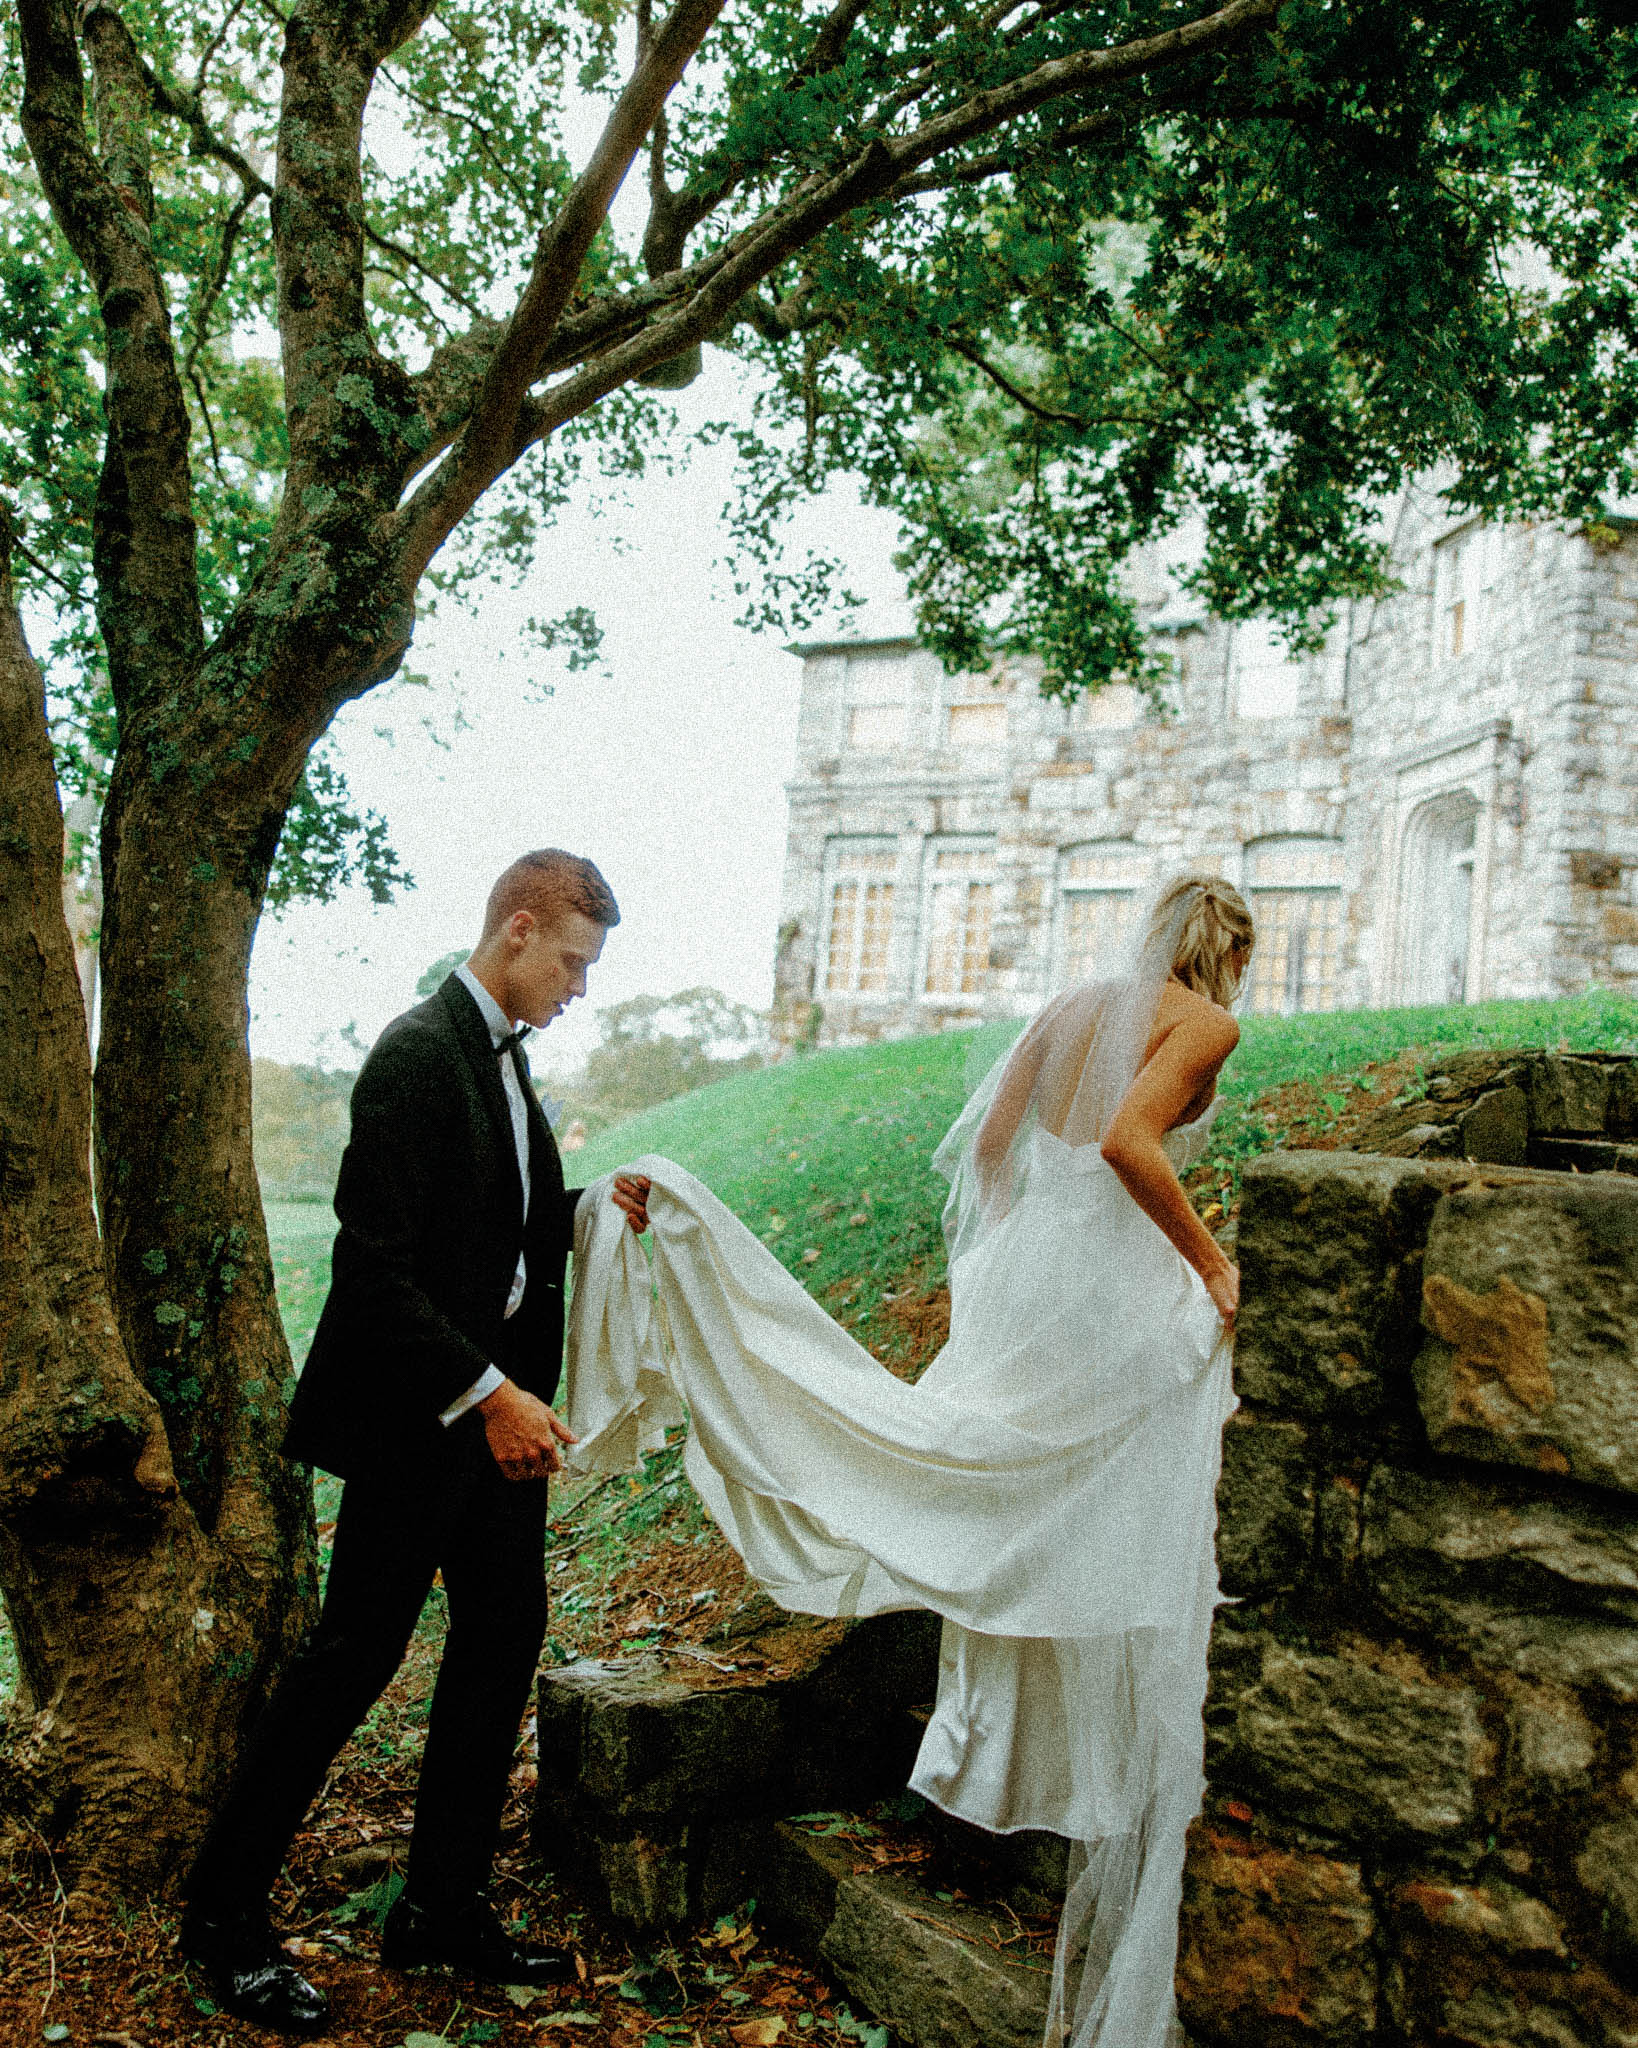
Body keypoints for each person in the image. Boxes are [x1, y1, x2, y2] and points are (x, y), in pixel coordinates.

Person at [563, 873, 1254, 2048]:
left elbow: (989, 1152)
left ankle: (994, 1773)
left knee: (1012, 1498)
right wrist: (1209, 1267)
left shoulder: (1076, 1004)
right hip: (1109, 1281)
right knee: (1095, 1486)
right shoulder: (1208, 1020)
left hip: (1030, 1269)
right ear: (1225, 946)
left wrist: (1017, 1264)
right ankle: (1096, 1776)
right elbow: (1136, 1141)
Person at [181, 849, 652, 2036]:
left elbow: (504, 1224)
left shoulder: (506, 1061)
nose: (580, 988)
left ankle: (441, 1905)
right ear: (518, 926)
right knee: (352, 1658)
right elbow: (374, 1273)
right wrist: (491, 1392)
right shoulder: (413, 1053)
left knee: (502, 1642)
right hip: (418, 1422)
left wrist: (596, 1203)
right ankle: (223, 1919)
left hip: (496, 1435)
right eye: (574, 962)